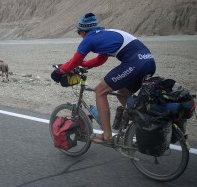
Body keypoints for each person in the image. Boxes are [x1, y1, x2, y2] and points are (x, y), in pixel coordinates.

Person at [51, 13, 156, 146]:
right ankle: (142, 122)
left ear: (83, 31)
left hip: (135, 63)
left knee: (100, 90)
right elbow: (100, 59)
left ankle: (107, 136)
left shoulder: (89, 39)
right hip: (149, 62)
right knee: (123, 92)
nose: (80, 36)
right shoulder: (104, 34)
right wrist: (83, 64)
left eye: (79, 32)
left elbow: (74, 61)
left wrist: (58, 71)